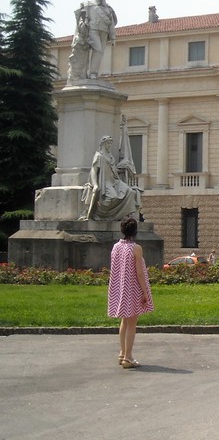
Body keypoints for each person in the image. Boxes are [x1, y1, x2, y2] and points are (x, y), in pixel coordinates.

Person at [108, 217, 154, 369]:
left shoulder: (116, 247)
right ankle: (128, 357)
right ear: (135, 231)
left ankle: (122, 353)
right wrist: (145, 292)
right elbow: (140, 273)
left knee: (124, 321)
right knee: (132, 322)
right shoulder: (136, 248)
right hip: (132, 288)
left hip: (120, 288)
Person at [82, 135, 141, 220]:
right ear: (104, 144)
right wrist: (95, 184)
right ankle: (100, 214)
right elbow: (93, 171)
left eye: (110, 144)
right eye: (109, 144)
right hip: (105, 183)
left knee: (131, 192)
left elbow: (113, 170)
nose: (110, 146)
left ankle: (122, 215)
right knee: (113, 197)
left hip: (115, 181)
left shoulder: (110, 156)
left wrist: (122, 168)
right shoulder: (99, 156)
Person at [67, 0, 117, 82]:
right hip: (92, 30)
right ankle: (91, 73)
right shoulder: (88, 5)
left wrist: (113, 38)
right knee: (97, 49)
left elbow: (111, 24)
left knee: (100, 52)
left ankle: (93, 73)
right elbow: (81, 18)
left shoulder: (108, 8)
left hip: (104, 32)